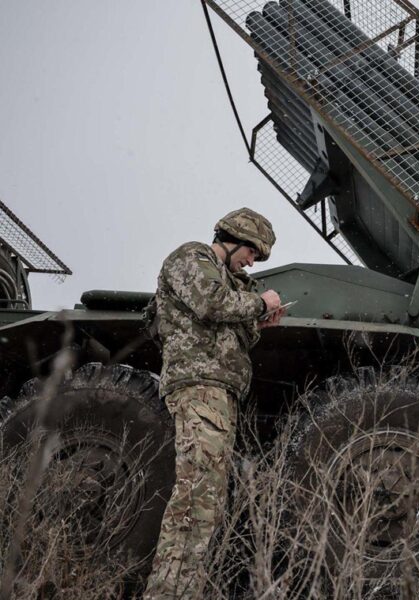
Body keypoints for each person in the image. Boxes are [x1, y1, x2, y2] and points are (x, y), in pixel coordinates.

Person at [143, 207, 284, 599]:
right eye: (253, 251)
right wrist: (260, 303)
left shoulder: (231, 281)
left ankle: (183, 588)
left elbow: (227, 331)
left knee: (208, 498)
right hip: (199, 388)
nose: (252, 261)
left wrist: (258, 322)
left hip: (220, 393)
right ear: (234, 237)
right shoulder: (192, 257)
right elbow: (209, 303)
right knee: (196, 494)